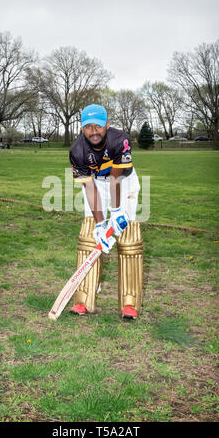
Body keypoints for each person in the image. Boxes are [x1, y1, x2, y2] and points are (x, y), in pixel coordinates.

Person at [69, 104, 144, 320]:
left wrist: (117, 211)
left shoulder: (120, 140)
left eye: (98, 126)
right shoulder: (76, 151)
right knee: (92, 234)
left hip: (124, 181)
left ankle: (129, 302)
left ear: (107, 125)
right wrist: (101, 223)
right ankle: (85, 296)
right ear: (82, 128)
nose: (94, 131)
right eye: (88, 127)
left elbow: (115, 178)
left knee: (127, 235)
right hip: (96, 184)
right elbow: (89, 188)